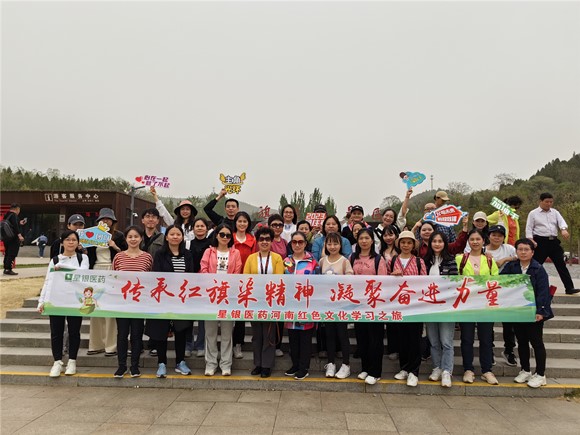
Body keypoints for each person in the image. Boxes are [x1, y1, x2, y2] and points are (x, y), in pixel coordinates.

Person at [37, 230, 89, 377]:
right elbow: (48, 281)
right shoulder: (55, 260)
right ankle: (57, 362)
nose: (71, 242)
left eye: (74, 240)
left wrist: (64, 268)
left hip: (75, 301)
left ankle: (72, 361)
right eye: (67, 239)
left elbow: (82, 272)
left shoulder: (83, 258)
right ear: (62, 242)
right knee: (56, 332)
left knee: (74, 332)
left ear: (78, 243)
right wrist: (42, 301)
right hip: (56, 300)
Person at [502, 239, 553, 388]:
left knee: (536, 342)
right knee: (522, 341)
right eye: (520, 249)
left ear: (532, 252)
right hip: (518, 311)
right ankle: (525, 370)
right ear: (516, 251)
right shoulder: (511, 266)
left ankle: (540, 374)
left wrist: (540, 311)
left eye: (526, 249)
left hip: (533, 311)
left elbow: (543, 292)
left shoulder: (538, 268)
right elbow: (500, 282)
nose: (523, 252)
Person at [456, 229, 500, 385]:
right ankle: (468, 369)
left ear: (483, 241)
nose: (475, 242)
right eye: (472, 239)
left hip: (485, 304)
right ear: (468, 241)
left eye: (478, 239)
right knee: (467, 338)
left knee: (486, 338)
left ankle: (487, 370)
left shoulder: (489, 260)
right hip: (466, 304)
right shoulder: (460, 258)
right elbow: (454, 279)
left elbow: (496, 280)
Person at [150, 225, 194, 378]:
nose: (175, 237)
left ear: (182, 237)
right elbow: (156, 275)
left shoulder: (187, 254)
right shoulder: (160, 254)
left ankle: (180, 362)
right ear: (166, 237)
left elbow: (191, 275)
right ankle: (161, 363)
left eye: (178, 234)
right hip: (164, 298)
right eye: (172, 234)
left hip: (181, 299)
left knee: (180, 331)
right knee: (161, 331)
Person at [200, 223, 242, 376]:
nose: (225, 237)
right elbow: (203, 270)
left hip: (228, 297)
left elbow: (237, 272)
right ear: (216, 235)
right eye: (222, 234)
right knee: (210, 333)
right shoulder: (208, 251)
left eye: (228, 235)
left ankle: (226, 364)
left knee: (227, 333)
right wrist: (214, 285)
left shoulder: (235, 253)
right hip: (211, 297)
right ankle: (210, 363)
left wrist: (227, 288)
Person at [112, 226, 153, 378]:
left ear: (141, 238)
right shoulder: (119, 257)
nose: (133, 239)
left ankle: (135, 366)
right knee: (122, 335)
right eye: (130, 236)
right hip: (122, 302)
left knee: (136, 335)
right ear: (126, 239)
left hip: (139, 303)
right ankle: (121, 366)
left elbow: (151, 279)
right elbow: (113, 278)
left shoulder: (147, 257)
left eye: (136, 236)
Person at [244, 226, 285, 378]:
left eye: (268, 239)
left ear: (272, 241)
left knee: (269, 335)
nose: (264, 242)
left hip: (271, 300)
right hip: (255, 300)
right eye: (261, 239)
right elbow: (246, 278)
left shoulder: (277, 258)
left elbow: (279, 279)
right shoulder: (251, 258)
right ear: (257, 241)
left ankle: (267, 365)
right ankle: (258, 364)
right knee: (256, 335)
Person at [387, 230, 427, 387]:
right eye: (403, 242)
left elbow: (425, 281)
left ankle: (414, 371)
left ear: (413, 245)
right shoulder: (393, 260)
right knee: (402, 338)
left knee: (414, 339)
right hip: (398, 306)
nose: (406, 245)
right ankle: (404, 368)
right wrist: (393, 276)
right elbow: (385, 281)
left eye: (409, 243)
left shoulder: (419, 261)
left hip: (415, 306)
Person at [86, 208, 127, 357]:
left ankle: (111, 346)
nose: (105, 221)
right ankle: (96, 344)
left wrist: (114, 246)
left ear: (113, 221)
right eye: (103, 219)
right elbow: (88, 255)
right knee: (94, 307)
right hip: (96, 271)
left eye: (108, 219)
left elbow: (125, 253)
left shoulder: (119, 235)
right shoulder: (92, 235)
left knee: (110, 309)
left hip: (112, 271)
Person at [351, 228, 387, 385]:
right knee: (362, 338)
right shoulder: (352, 257)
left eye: (367, 238)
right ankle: (365, 368)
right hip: (358, 305)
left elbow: (383, 283)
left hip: (374, 305)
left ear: (372, 241)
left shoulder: (379, 259)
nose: (364, 241)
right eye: (361, 238)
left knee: (375, 339)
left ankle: (375, 372)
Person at [525, 192, 580, 294]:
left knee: (561, 265)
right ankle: (527, 287)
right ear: (540, 201)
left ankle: (569, 288)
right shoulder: (533, 213)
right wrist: (531, 240)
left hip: (553, 242)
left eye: (551, 202)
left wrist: (563, 229)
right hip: (540, 242)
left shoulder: (555, 212)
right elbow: (529, 228)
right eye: (546, 202)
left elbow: (561, 222)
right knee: (535, 266)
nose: (549, 204)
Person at [423, 231, 458, 387]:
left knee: (446, 341)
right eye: (434, 241)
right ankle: (437, 367)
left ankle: (447, 371)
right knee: (434, 341)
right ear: (430, 243)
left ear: (445, 243)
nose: (437, 244)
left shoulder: (451, 261)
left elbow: (455, 283)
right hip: (429, 307)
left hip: (446, 308)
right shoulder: (425, 261)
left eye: (440, 241)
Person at [283, 231, 318, 380]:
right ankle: (295, 365)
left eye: (300, 242)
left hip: (306, 305)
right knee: (293, 338)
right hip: (290, 305)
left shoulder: (312, 261)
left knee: (305, 339)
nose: (297, 245)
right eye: (294, 242)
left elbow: (318, 282)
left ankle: (304, 367)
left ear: (305, 244)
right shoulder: (286, 261)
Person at [318, 232, 353, 379]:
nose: (332, 247)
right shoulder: (322, 261)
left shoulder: (345, 261)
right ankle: (331, 363)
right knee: (329, 334)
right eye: (329, 244)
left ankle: (346, 364)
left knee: (342, 334)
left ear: (341, 245)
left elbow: (350, 280)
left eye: (335, 243)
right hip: (327, 305)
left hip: (341, 305)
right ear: (325, 245)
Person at [485, 225, 518, 367]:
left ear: (504, 237)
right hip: (488, 290)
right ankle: (489, 350)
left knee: (509, 323)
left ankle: (509, 350)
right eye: (494, 235)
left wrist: (504, 259)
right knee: (489, 322)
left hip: (507, 290)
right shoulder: (483, 249)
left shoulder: (509, 249)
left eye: (500, 235)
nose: (496, 238)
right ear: (489, 236)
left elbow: (519, 256)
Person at [185, 217, 212, 358]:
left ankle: (201, 345)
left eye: (202, 226)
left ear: (207, 229)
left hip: (206, 285)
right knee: (188, 316)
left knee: (203, 317)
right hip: (190, 285)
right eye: (197, 226)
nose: (200, 228)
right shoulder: (187, 244)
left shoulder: (212, 245)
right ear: (193, 229)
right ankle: (188, 344)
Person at [232, 211, 257, 359]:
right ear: (235, 223)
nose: (242, 224)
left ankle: (238, 344)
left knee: (240, 315)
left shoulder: (252, 240)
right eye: (239, 221)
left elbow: (254, 259)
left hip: (247, 281)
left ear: (248, 224)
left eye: (245, 221)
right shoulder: (229, 237)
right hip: (231, 281)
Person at [267, 214, 288, 356]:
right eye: (274, 225)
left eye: (280, 225)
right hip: (267, 282)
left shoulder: (286, 242)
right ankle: (267, 345)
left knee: (279, 316)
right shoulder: (265, 240)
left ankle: (277, 345)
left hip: (281, 283)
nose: (277, 227)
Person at [373, 188, 412, 252]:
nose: (388, 218)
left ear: (394, 219)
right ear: (382, 216)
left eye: (391, 217)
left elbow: (402, 214)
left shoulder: (396, 227)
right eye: (386, 215)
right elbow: (377, 247)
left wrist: (407, 197)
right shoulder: (376, 231)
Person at [2, 203, 24, 275]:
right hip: (13, 238)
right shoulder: (14, 215)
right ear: (17, 209)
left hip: (6, 238)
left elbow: (11, 224)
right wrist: (19, 235)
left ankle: (6, 268)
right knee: (12, 253)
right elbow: (15, 226)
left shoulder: (7, 215)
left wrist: (19, 222)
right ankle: (8, 269)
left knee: (7, 253)